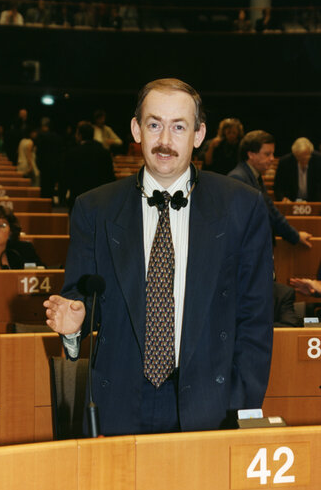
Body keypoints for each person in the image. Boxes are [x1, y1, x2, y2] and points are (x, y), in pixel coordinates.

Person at [44, 78, 273, 436]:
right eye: (154, 125)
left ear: (198, 134)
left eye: (178, 127)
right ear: (136, 129)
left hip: (211, 404)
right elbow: (80, 301)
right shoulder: (94, 209)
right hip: (119, 403)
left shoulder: (242, 207)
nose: (165, 141)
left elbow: (255, 318)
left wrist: (241, 407)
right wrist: (74, 327)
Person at [228, 130, 313, 248]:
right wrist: (295, 236)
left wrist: (296, 235)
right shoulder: (239, 178)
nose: (272, 159)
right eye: (267, 154)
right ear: (251, 154)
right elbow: (265, 216)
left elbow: (271, 211)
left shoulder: (254, 176)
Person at [65, 121, 115, 210]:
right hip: (99, 198)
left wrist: (63, 196)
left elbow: (67, 177)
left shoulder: (72, 153)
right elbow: (110, 177)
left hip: (78, 198)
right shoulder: (104, 152)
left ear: (79, 135)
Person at [274, 137, 321, 202]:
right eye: (300, 157)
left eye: (306, 157)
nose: (304, 160)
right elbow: (278, 186)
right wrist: (283, 199)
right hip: (291, 202)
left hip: (314, 201)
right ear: (295, 155)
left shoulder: (318, 160)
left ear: (311, 152)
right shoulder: (284, 162)